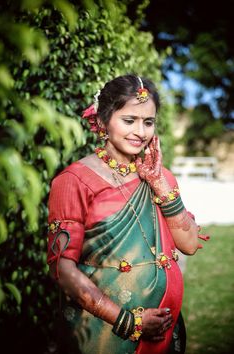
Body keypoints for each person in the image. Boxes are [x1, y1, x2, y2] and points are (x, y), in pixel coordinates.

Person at [47, 74, 209, 354]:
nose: (140, 132)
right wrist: (128, 321)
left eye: (148, 122)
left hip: (165, 333)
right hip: (103, 334)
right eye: (129, 120)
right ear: (103, 121)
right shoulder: (74, 180)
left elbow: (190, 244)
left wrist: (158, 183)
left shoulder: (161, 177)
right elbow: (63, 270)